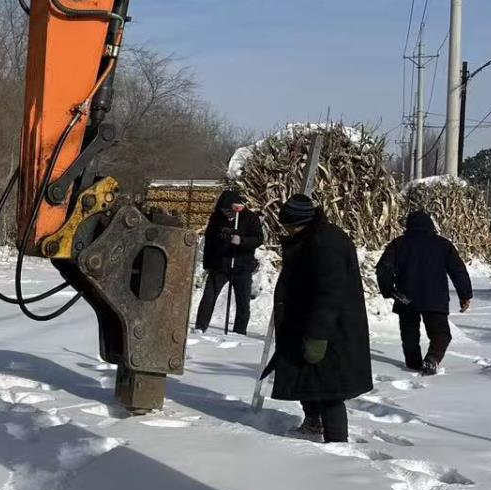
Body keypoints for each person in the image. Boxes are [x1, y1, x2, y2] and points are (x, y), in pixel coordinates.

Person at [267, 194, 372, 443]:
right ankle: (312, 423)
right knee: (309, 378)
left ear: (299, 222)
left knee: (329, 390)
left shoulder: (326, 243)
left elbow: (329, 293)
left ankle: (337, 444)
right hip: (308, 323)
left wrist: (317, 334)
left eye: (288, 225)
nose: (286, 230)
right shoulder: (310, 238)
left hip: (330, 329)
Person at [376, 209, 472, 375]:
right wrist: (465, 295)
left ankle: (413, 364)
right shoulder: (443, 244)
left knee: (409, 334)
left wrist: (389, 291)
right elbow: (458, 271)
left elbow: (383, 269)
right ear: (430, 225)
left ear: (408, 225)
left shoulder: (399, 244)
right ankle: (432, 359)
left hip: (405, 297)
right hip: (435, 297)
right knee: (441, 334)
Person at [194, 189, 264, 335]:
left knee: (243, 302)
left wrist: (242, 241)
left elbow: (258, 239)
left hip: (242, 266)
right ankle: (200, 327)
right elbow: (209, 241)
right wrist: (208, 263)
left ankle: (239, 332)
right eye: (224, 211)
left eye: (229, 210)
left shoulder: (250, 218)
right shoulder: (216, 218)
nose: (227, 214)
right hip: (220, 265)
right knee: (208, 297)